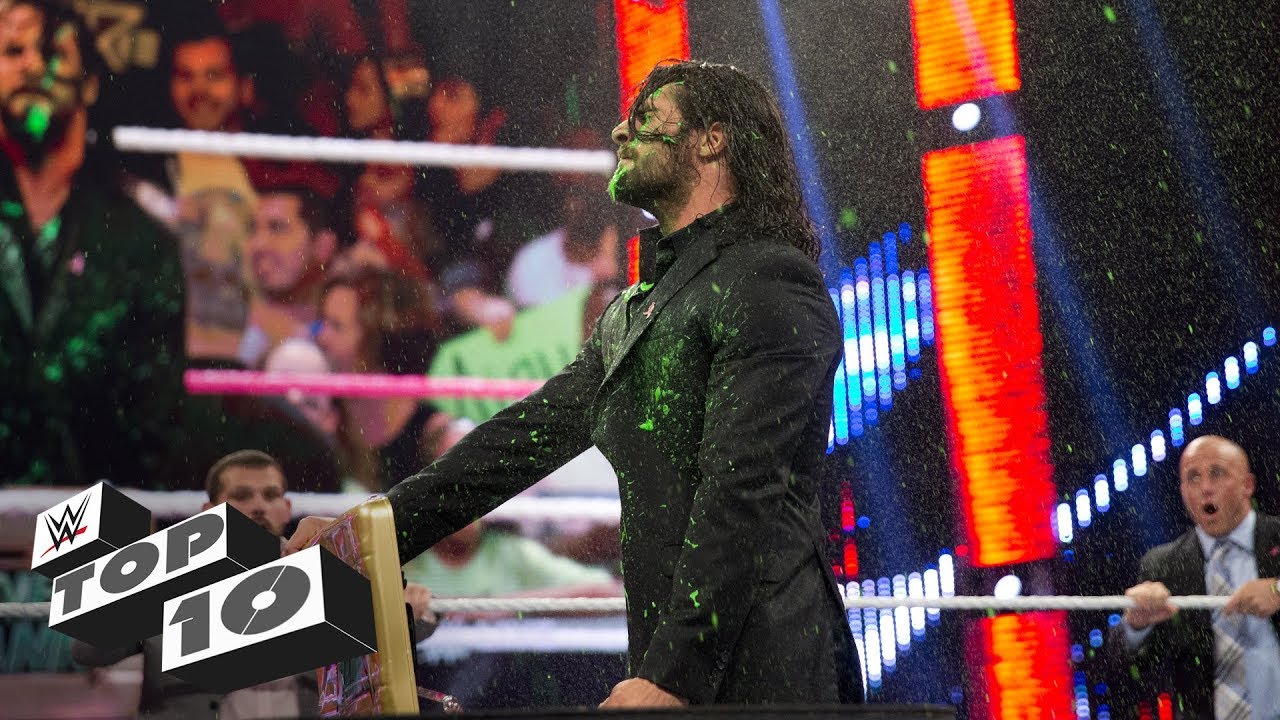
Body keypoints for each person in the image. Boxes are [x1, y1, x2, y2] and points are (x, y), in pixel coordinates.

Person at [289, 60, 862, 706]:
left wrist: (674, 674)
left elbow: (742, 491)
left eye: (646, 117)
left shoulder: (768, 280)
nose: (620, 131)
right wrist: (364, 535)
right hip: (675, 666)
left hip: (767, 670)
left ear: (711, 140)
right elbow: (512, 446)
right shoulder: (636, 312)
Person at [0, 0, 185, 485]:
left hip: (91, 519)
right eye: (14, 50)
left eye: (51, 53)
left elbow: (153, 430)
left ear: (90, 83)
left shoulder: (140, 244)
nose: (33, 66)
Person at [1115, 435, 1280, 718]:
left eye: (1217, 473)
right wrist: (1137, 624)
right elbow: (1125, 664)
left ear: (1247, 485)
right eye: (1193, 478)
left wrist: (1277, 591)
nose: (1205, 488)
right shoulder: (1163, 566)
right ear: (1182, 491)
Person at [315, 266, 464, 491]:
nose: (321, 337)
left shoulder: (436, 435)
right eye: (322, 323)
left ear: (378, 339)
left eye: (337, 327)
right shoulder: (322, 416)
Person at [239, 184, 338, 366]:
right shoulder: (234, 326)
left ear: (323, 245)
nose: (258, 244)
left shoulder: (346, 338)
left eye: (277, 228)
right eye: (252, 229)